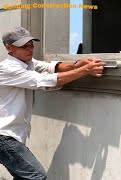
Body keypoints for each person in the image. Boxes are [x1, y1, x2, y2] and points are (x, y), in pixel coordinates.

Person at [0, 27, 106, 179]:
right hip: (4, 136)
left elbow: (51, 67)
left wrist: (77, 64)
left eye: (31, 44)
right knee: (36, 176)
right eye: (24, 46)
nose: (30, 49)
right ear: (8, 48)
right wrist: (85, 70)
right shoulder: (8, 69)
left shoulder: (28, 62)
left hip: (11, 136)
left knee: (23, 176)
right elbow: (45, 82)